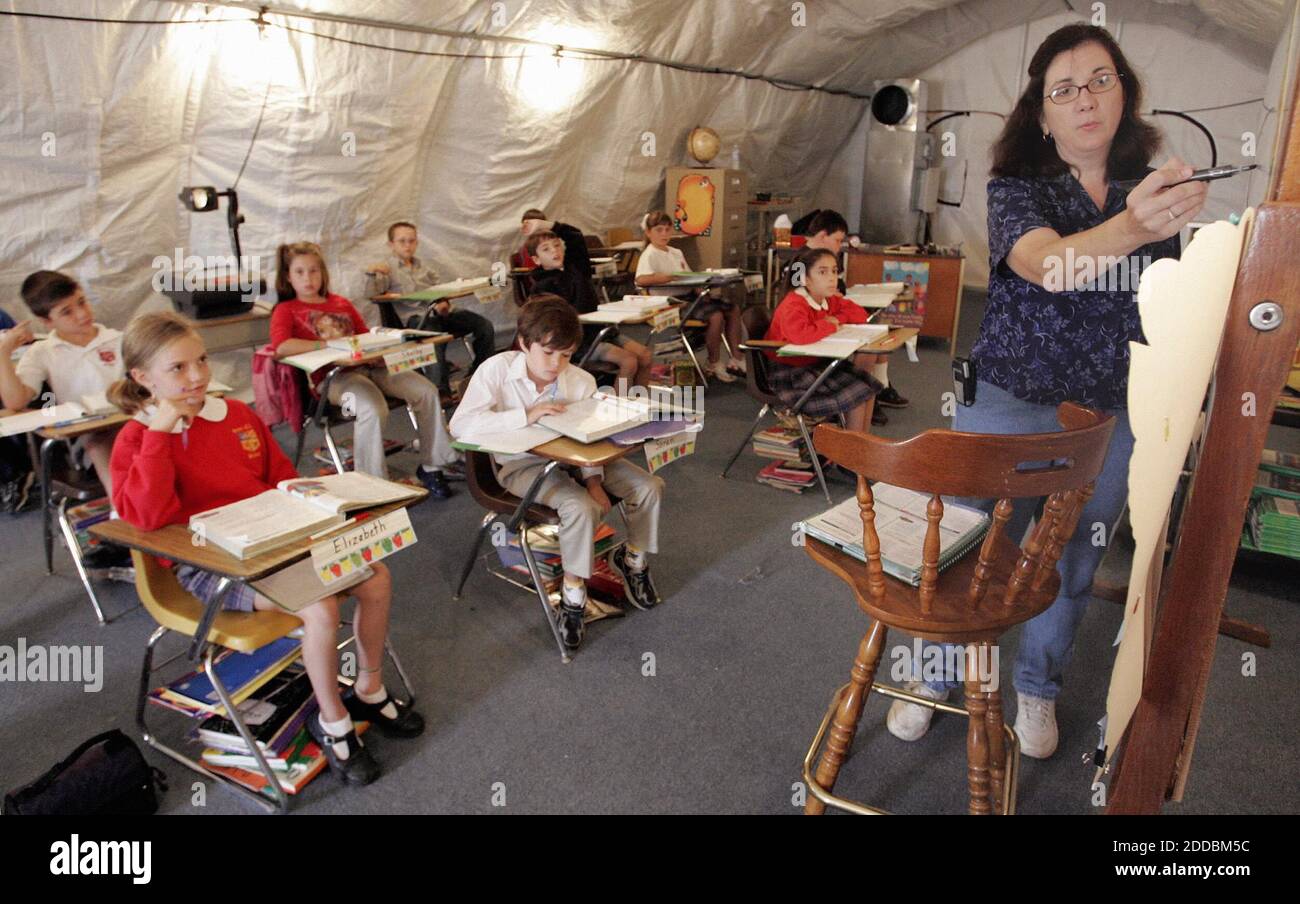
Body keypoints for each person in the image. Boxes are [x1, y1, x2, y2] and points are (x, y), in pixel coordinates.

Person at [885, 23, 1207, 759]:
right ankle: (933, 677)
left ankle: (1036, 686)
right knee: (973, 544)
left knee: (1072, 558)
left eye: (1101, 80)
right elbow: (1049, 267)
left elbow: (1162, 300)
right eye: (1063, 89)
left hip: (1108, 411)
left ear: (1125, 92)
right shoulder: (1017, 187)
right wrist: (1133, 225)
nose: (1085, 99)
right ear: (1041, 111)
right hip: (1010, 395)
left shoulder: (1150, 190)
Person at [109, 311, 423, 785]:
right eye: (177, 369)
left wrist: (324, 498)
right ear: (141, 378)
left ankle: (369, 687)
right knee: (317, 608)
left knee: (376, 575)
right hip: (207, 564)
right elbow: (148, 518)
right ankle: (333, 722)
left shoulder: (234, 414)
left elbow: (279, 477)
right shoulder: (137, 437)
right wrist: (160, 433)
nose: (196, 377)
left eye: (201, 361)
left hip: (272, 543)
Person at [449, 295, 665, 652]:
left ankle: (633, 561)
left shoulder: (579, 380)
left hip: (578, 459)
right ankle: (573, 594)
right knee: (579, 508)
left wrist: (593, 479)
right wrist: (526, 414)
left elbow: (593, 436)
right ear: (524, 343)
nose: (556, 363)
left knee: (649, 486)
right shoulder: (497, 370)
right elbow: (461, 426)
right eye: (548, 352)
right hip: (522, 465)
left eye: (565, 354)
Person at [270, 241, 460, 497]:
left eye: (314, 270)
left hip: (371, 368)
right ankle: (373, 484)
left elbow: (363, 338)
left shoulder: (340, 303)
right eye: (300, 272)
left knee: (425, 390)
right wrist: (328, 344)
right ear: (288, 277)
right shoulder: (286, 310)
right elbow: (281, 347)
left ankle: (432, 465)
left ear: (323, 273)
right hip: (334, 380)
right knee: (371, 407)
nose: (308, 278)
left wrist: (381, 352)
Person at [0, 270, 124, 495]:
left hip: (135, 422)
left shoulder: (119, 339)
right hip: (89, 435)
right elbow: (15, 401)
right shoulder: (42, 352)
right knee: (101, 443)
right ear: (47, 321)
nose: (82, 314)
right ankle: (121, 511)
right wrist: (3, 354)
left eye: (82, 302)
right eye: (67, 312)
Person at [364, 221, 496, 396]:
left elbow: (440, 288)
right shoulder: (387, 268)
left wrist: (444, 302)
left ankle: (480, 372)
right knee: (433, 337)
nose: (407, 245)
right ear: (391, 244)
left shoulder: (423, 266)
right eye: (402, 241)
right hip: (416, 319)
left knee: (483, 325)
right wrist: (372, 273)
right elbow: (371, 294)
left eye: (411, 241)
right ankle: (441, 391)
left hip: (440, 313)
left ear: (417, 242)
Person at [803, 209, 907, 426]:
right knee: (867, 348)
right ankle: (871, 390)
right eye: (838, 240)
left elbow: (835, 296)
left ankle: (877, 390)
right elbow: (807, 306)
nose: (840, 247)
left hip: (825, 328)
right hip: (811, 344)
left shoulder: (821, 260)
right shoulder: (800, 265)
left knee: (874, 332)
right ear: (822, 236)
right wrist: (833, 308)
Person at [764, 247, 880, 432]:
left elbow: (859, 314)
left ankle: (861, 446)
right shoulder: (794, 303)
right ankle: (851, 453)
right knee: (858, 394)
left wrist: (837, 319)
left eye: (834, 271)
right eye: (822, 272)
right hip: (791, 372)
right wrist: (830, 325)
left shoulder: (827, 299)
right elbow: (801, 335)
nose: (832, 278)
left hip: (815, 365)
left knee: (868, 388)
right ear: (806, 279)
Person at [525, 226, 654, 387]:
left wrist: (548, 224)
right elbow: (553, 322)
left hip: (602, 331)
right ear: (536, 259)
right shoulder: (541, 287)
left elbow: (576, 236)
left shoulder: (577, 268)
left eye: (557, 245)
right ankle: (620, 407)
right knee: (629, 361)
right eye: (546, 249)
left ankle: (641, 401)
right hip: (579, 340)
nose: (554, 251)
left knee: (645, 355)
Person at [635, 210, 745, 384]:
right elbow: (641, 279)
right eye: (659, 230)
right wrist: (669, 277)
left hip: (689, 297)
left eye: (667, 229)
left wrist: (703, 282)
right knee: (715, 316)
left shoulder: (676, 252)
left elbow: (687, 275)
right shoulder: (649, 254)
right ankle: (713, 362)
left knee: (732, 308)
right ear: (648, 232)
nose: (664, 234)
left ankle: (736, 357)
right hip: (670, 304)